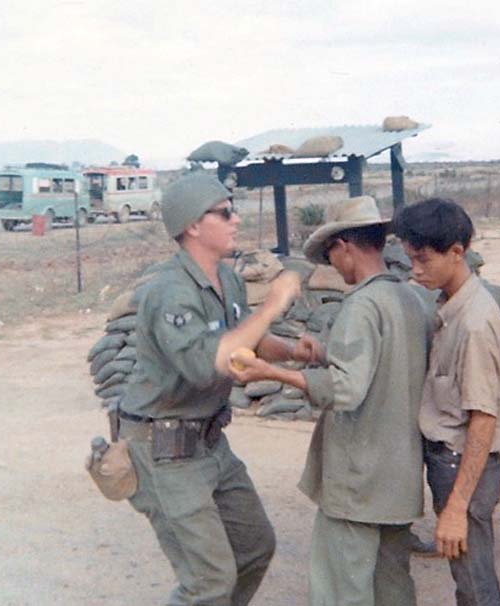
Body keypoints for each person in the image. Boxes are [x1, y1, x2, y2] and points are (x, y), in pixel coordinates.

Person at [231, 196, 430, 606]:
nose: (333, 267)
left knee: (342, 589)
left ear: (345, 247)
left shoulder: (361, 305)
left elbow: (346, 389)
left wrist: (273, 373)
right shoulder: (412, 300)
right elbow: (388, 368)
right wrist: (323, 352)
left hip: (358, 480)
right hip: (398, 477)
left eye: (330, 255)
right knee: (393, 587)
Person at [116, 172, 303, 606]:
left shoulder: (228, 279)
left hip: (208, 442)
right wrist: (275, 303)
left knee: (255, 547)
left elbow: (242, 339)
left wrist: (296, 350)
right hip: (164, 450)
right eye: (225, 212)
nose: (236, 220)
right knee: (208, 581)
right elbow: (209, 363)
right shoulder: (169, 292)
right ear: (193, 226)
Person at [394, 198, 500, 606]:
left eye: (423, 259)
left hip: (461, 462)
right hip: (452, 459)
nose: (415, 270)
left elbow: (483, 418)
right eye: (410, 259)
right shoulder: (451, 305)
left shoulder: (473, 323)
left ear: (456, 251)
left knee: (474, 581)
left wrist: (455, 508)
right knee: (470, 574)